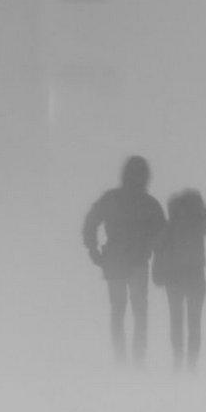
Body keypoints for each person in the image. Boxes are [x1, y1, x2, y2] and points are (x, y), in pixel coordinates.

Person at [82, 155, 167, 362]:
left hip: (114, 263)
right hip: (138, 263)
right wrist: (154, 252)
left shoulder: (111, 198)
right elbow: (162, 235)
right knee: (139, 313)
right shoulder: (149, 203)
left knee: (118, 312)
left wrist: (94, 251)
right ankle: (138, 361)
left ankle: (120, 360)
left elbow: (90, 222)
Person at [155, 185, 206, 367]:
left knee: (176, 320)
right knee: (194, 322)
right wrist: (204, 212)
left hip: (174, 277)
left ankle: (178, 361)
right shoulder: (198, 222)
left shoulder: (171, 223)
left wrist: (158, 271)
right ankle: (191, 365)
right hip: (196, 275)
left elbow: (158, 247)